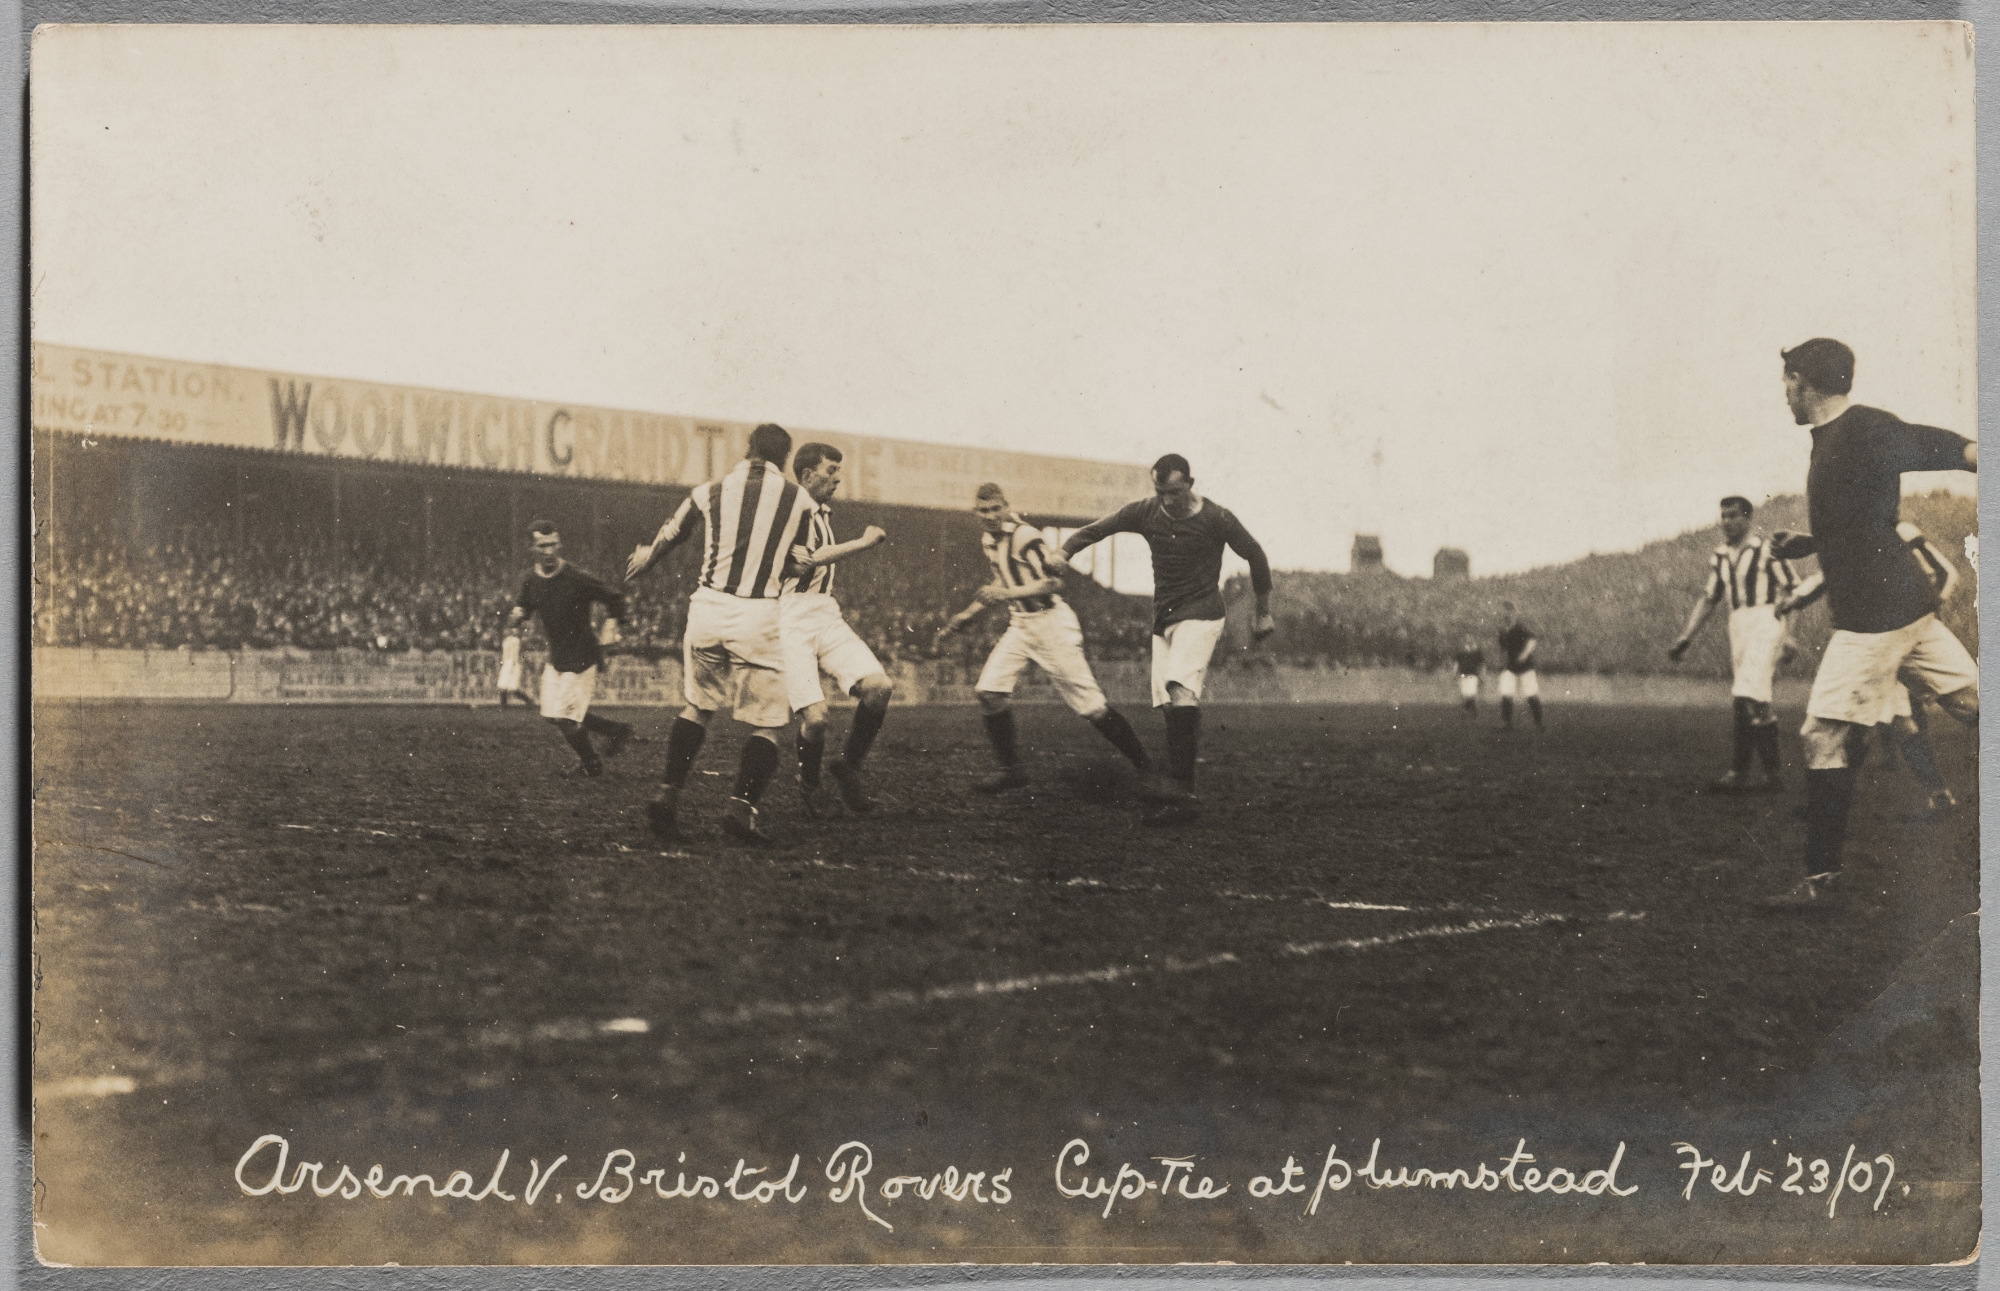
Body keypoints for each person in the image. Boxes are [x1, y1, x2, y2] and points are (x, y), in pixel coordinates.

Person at [1761, 337, 1978, 907]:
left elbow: (1927, 443)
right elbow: (1863, 519)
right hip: (1904, 607)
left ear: (1803, 381)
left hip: (1873, 618)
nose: (1783, 393)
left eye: (1786, 381)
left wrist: (1976, 451)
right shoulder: (1833, 439)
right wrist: (1809, 542)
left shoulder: (1860, 428)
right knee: (1975, 703)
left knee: (1822, 734)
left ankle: (1820, 881)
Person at [1048, 455, 1274, 825]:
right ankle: (1179, 791)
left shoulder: (1216, 518)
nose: (1167, 500)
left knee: (1181, 689)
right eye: (1160, 492)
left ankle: (1181, 792)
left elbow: (1255, 554)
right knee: (1169, 703)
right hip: (1164, 619)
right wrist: (1064, 550)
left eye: (1174, 492)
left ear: (1190, 484)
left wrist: (1262, 611)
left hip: (1202, 613)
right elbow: (1098, 529)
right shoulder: (1145, 511)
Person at [626, 423, 820, 846]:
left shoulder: (711, 490)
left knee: (698, 707)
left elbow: (673, 532)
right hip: (758, 613)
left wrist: (647, 559)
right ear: (784, 458)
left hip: (707, 609)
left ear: (749, 449)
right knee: (768, 724)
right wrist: (780, 563)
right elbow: (800, 565)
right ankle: (740, 811)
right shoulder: (800, 500)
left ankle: (667, 794)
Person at [933, 483, 1154, 794]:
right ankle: (1012, 771)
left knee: (1092, 707)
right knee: (989, 692)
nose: (991, 515)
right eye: (984, 511)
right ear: (976, 512)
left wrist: (1007, 594)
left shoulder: (1026, 536)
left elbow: (1054, 583)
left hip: (1051, 624)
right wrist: (967, 614)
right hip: (1022, 624)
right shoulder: (988, 540)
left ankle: (1149, 770)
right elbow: (1001, 580)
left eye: (996, 509)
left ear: (1006, 506)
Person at [1782, 521, 1964, 819]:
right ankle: (1937, 796)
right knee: (1889, 721)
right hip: (1875, 643)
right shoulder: (1851, 537)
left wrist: (1922, 617)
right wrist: (1796, 598)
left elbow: (1946, 574)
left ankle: (1828, 807)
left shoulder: (1903, 532)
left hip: (1901, 640)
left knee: (1870, 721)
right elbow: (1829, 576)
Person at [780, 443, 896, 815]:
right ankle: (809, 785)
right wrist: (862, 543)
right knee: (816, 719)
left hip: (826, 613)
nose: (837, 478)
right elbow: (809, 560)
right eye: (830, 470)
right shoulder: (789, 509)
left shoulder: (821, 513)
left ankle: (848, 767)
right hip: (790, 617)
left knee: (879, 688)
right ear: (807, 474)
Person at [1667, 496, 1798, 790]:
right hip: (1738, 625)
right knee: (1752, 699)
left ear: (1747, 518)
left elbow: (1792, 590)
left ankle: (1749, 774)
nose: (1726, 522)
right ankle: (1761, 775)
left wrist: (1790, 634)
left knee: (1747, 694)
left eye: (1733, 515)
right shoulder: (1721, 555)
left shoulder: (1767, 549)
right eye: (1723, 516)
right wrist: (1687, 636)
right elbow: (1709, 597)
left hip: (1767, 621)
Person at [508, 521, 634, 777]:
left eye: (553, 544)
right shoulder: (530, 580)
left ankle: (591, 764)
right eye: (542, 546)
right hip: (557, 659)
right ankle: (616, 730)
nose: (548, 550)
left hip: (582, 657)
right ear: (532, 548)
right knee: (552, 715)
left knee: (565, 719)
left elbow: (615, 597)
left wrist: (612, 625)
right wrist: (518, 614)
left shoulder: (576, 577)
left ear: (560, 544)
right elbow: (524, 605)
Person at [1496, 602, 1542, 729]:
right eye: (1504, 612)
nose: (1506, 615)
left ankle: (1538, 723)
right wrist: (1502, 664)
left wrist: (1524, 654)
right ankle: (1507, 723)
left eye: (1508, 612)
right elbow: (1504, 650)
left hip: (1525, 667)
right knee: (1506, 693)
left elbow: (1532, 640)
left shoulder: (1519, 628)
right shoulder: (1502, 632)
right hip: (1510, 667)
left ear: (1513, 613)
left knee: (1531, 694)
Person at [1453, 637, 1484, 718]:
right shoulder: (1461, 654)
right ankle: (1472, 709)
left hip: (1472, 675)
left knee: (1471, 694)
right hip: (1463, 675)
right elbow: (1457, 664)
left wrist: (1482, 675)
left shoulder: (1476, 653)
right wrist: (1455, 674)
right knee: (1465, 694)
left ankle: (1466, 710)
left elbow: (1482, 665)